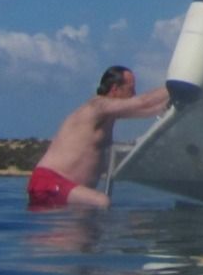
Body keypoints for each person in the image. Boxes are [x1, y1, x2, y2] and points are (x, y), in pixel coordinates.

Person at [27, 66, 170, 209]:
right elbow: (143, 102)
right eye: (131, 89)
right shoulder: (97, 106)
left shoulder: (109, 115)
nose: (134, 94)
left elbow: (146, 110)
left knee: (89, 223)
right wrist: (174, 87)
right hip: (49, 181)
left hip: (60, 187)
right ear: (115, 89)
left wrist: (173, 104)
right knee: (101, 201)